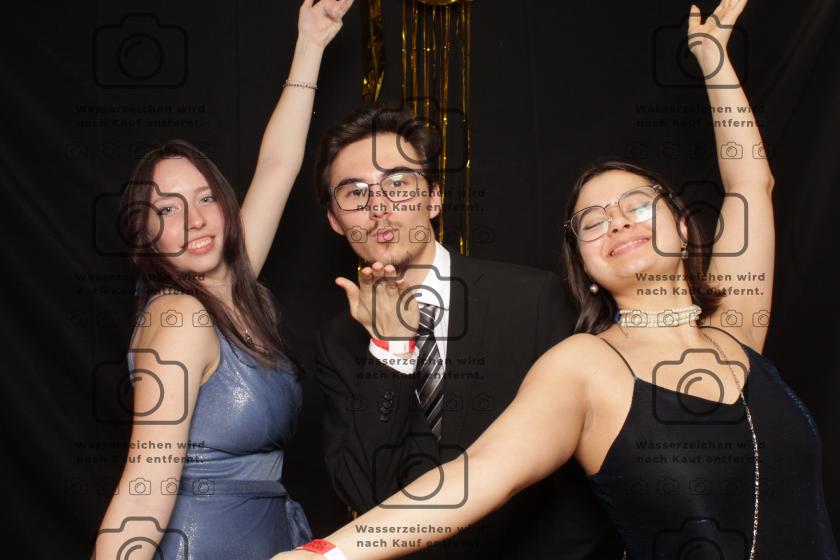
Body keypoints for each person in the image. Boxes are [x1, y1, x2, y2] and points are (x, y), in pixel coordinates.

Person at [274, 1, 839, 558]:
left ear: (685, 226)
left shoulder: (737, 333)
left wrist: (714, 59)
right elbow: (476, 475)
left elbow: (749, 185)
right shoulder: (585, 367)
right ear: (583, 268)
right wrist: (318, 555)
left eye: (637, 204)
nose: (617, 221)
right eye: (592, 221)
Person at [308, 85, 620, 560]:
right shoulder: (338, 343)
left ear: (434, 198)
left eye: (398, 184)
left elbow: (586, 472)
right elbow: (365, 491)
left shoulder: (533, 299)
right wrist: (390, 348)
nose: (379, 207)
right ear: (335, 219)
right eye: (355, 193)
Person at [92, 2, 354, 559]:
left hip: (267, 536)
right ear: (145, 236)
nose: (194, 220)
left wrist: (310, 42)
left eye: (206, 198)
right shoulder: (181, 317)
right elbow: (145, 485)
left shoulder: (232, 290)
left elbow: (278, 165)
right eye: (167, 210)